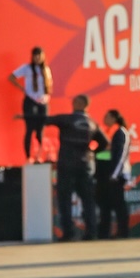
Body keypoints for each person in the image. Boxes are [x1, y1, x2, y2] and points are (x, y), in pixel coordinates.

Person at [44, 95, 106, 241]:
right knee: (87, 200)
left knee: (65, 199)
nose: (73, 103)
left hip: (67, 164)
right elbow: (104, 142)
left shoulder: (67, 119)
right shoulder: (92, 123)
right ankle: (91, 232)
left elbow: (46, 120)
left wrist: (29, 115)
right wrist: (91, 152)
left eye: (76, 101)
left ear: (82, 104)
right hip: (84, 165)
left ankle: (68, 233)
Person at [9, 47, 53, 161]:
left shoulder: (46, 69)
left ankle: (39, 155)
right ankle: (28, 156)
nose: (38, 58)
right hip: (30, 100)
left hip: (43, 101)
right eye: (35, 56)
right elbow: (12, 77)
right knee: (29, 128)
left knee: (40, 130)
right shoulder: (27, 68)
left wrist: (46, 96)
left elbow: (49, 84)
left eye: (40, 56)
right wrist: (21, 88)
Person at [98, 109, 132, 239]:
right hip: (114, 174)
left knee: (119, 204)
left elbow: (121, 156)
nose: (104, 120)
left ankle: (123, 232)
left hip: (118, 175)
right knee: (109, 204)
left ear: (113, 118)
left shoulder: (122, 133)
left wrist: (115, 174)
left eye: (107, 117)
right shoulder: (116, 133)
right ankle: (109, 232)